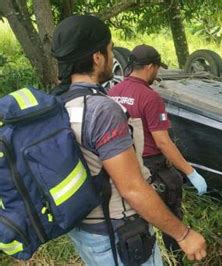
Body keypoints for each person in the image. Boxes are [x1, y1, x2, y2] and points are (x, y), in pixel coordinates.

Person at [51, 15, 206, 265]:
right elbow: (132, 188)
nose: (113, 58)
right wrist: (183, 234)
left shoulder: (58, 104)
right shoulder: (102, 109)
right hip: (119, 237)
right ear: (97, 57)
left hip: (83, 231)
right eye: (110, 50)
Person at [108, 44, 207, 262]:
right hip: (153, 166)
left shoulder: (114, 91)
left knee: (138, 218)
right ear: (151, 67)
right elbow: (163, 142)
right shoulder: (149, 97)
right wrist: (190, 172)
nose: (157, 73)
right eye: (157, 69)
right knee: (170, 216)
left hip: (124, 164)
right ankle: (177, 255)